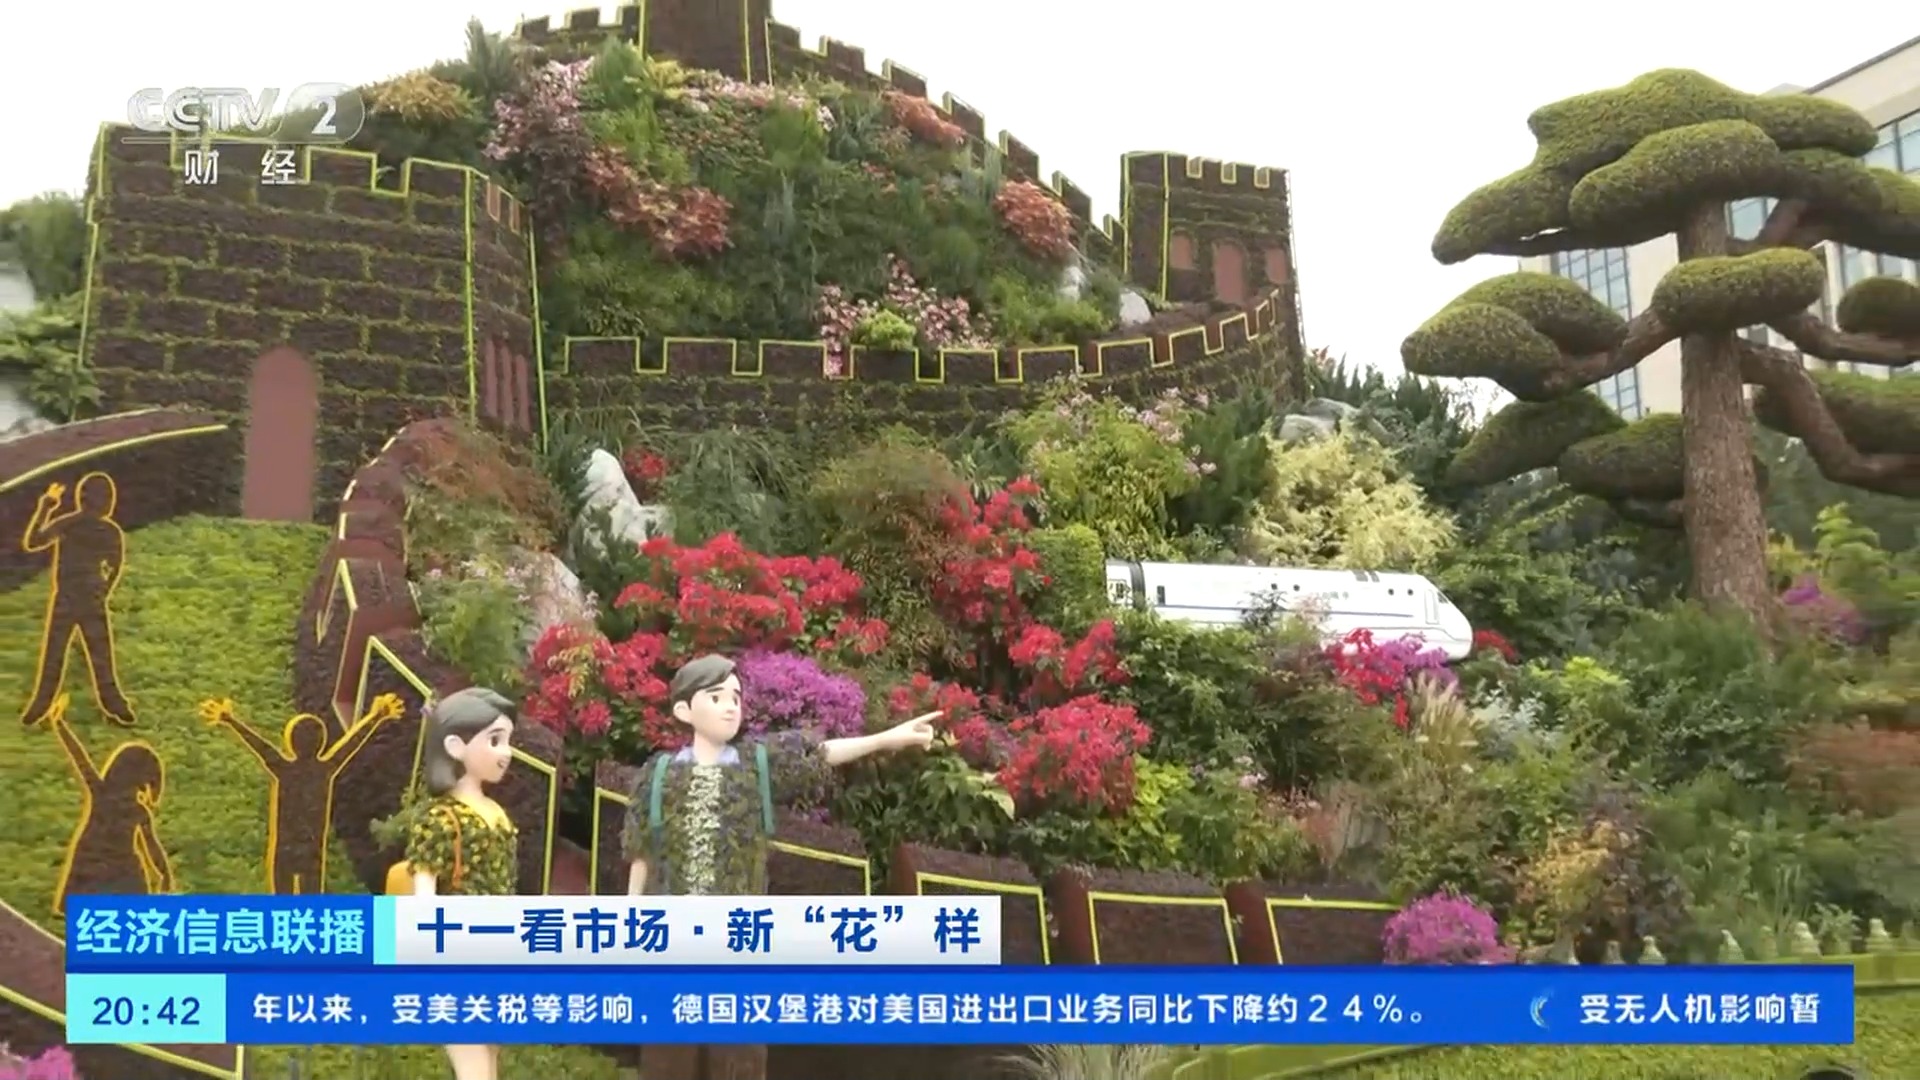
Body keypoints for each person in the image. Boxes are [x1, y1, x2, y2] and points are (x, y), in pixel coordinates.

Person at [622, 653, 939, 1080]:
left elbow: (820, 753)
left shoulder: (757, 764)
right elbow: (641, 850)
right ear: (684, 710)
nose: (730, 706)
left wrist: (886, 739)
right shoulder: (657, 775)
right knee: (668, 1055)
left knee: (737, 1055)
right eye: (716, 697)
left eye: (736, 697)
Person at [395, 688, 520, 1080]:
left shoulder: (496, 813)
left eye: (508, 741)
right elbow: (424, 892)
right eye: (495, 741)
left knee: (490, 1055)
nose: (506, 752)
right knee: (473, 1063)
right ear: (455, 745)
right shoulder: (440, 817)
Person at [199, 693, 404, 894]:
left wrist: (230, 720)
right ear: (321, 742)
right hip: (311, 853)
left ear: (292, 742)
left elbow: (261, 746)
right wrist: (377, 716)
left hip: (286, 852)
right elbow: (351, 744)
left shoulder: (284, 769)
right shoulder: (325, 770)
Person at [20, 474, 135, 727]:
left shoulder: (104, 530)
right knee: (60, 656)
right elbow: (33, 542)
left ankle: (113, 704)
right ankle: (41, 705)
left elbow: (115, 565)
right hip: (71, 597)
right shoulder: (75, 525)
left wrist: (104, 591)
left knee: (97, 656)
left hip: (85, 598)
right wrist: (46, 507)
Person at [48, 694, 173, 915]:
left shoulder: (103, 794)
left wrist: (60, 725)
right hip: (117, 870)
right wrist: (163, 875)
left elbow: (81, 759)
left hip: (105, 867)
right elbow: (152, 847)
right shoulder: (133, 808)